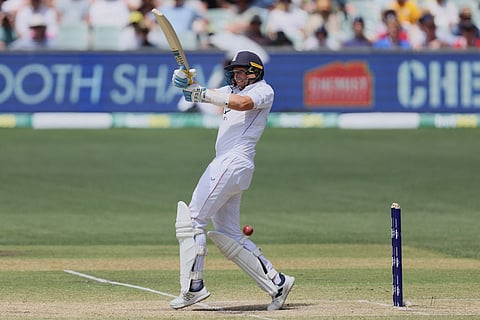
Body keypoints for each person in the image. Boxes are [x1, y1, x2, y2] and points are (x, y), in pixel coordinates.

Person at [169, 50, 295, 311]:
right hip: (232, 165)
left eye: (240, 71)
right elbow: (203, 94)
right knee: (229, 235)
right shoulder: (232, 89)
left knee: (192, 221)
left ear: (253, 72)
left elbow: (242, 104)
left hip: (233, 161)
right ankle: (277, 282)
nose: (235, 76)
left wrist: (201, 93)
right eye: (234, 72)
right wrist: (186, 82)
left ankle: (194, 287)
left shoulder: (263, 90)